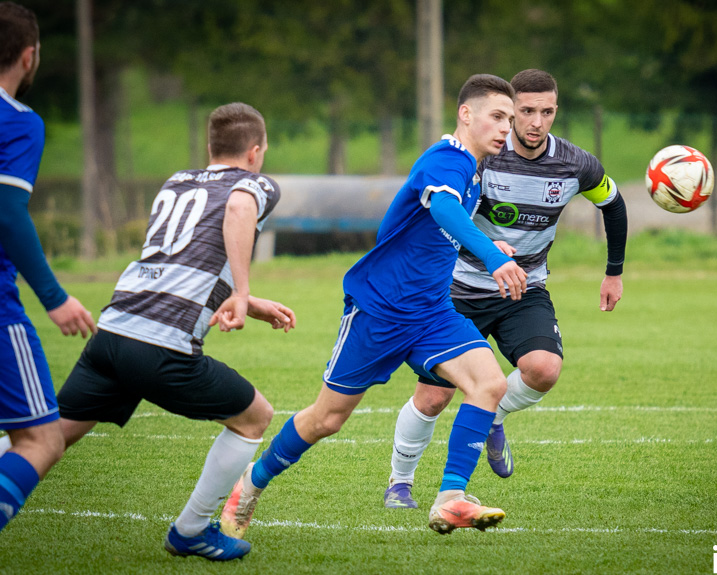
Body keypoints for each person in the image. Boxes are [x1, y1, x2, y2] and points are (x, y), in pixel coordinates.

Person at [220, 74, 526, 538]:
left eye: (510, 118)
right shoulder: (446, 160)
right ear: (467, 114)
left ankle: (451, 499)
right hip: (378, 310)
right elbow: (443, 211)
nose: (507, 127)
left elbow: (431, 234)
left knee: (489, 383)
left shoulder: (471, 172)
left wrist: (484, 245)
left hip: (429, 314)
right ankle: (247, 487)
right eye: (498, 116)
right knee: (327, 419)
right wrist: (488, 256)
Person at [53, 102, 294, 561]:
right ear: (256, 152)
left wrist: (251, 302)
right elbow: (240, 207)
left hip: (113, 331)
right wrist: (242, 292)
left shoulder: (176, 181)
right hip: (162, 343)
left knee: (46, 439)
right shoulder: (254, 182)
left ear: (209, 147)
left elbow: (182, 261)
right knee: (253, 418)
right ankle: (191, 530)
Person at [384, 69, 628, 508]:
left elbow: (613, 203)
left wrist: (614, 271)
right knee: (434, 396)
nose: (536, 122)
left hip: (524, 289)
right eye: (526, 111)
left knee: (544, 369)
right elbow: (446, 209)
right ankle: (400, 483)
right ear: (509, 112)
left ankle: (492, 411)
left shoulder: (576, 163)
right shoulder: (482, 156)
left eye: (547, 112)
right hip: (459, 289)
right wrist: (488, 253)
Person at [0, 1, 96, 533]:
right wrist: (54, 297)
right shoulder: (17, 122)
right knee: (41, 439)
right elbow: (7, 212)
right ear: (29, 55)